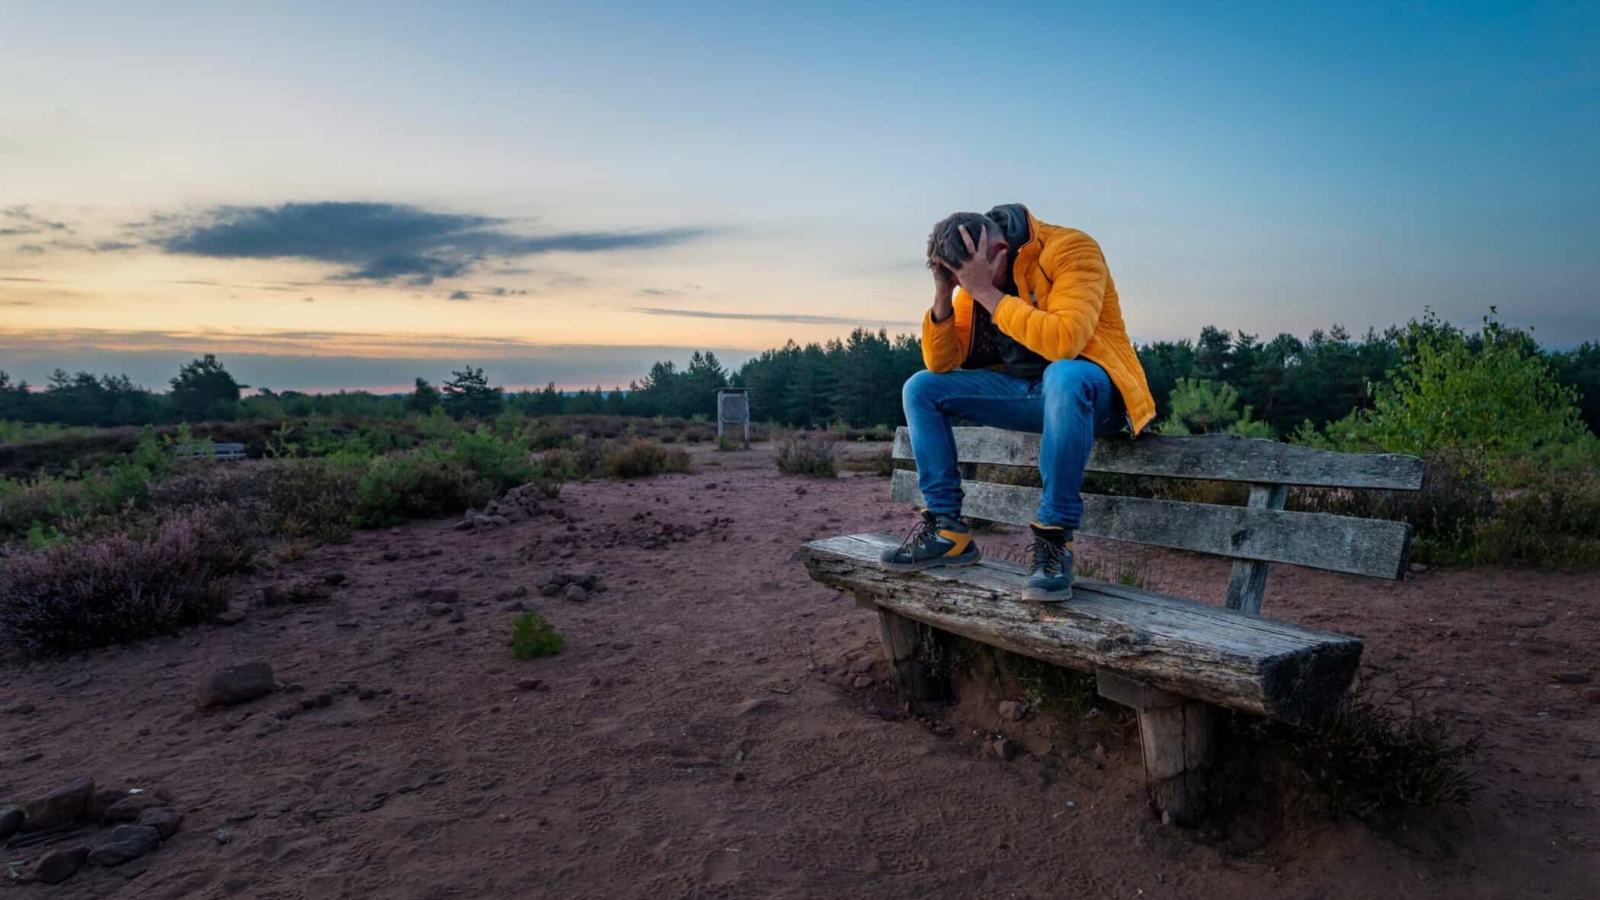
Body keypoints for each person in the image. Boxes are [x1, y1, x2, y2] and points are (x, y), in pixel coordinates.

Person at [880, 204, 1156, 602]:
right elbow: (941, 362)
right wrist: (945, 291)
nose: (969, 287)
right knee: (921, 387)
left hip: (1097, 393)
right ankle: (947, 530)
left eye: (970, 277)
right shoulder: (974, 276)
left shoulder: (1071, 249)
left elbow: (1066, 341)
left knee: (1063, 374)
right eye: (959, 278)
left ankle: (1054, 541)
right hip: (1031, 395)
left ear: (1001, 248)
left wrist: (986, 292)